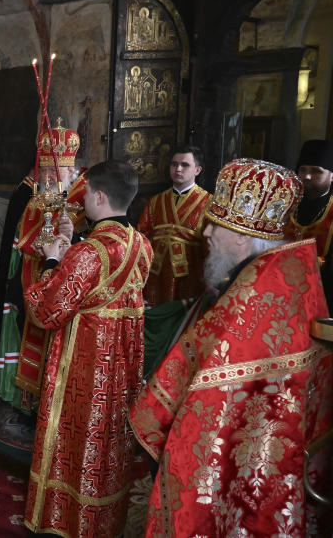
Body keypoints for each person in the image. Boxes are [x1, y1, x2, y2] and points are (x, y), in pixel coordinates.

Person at [129, 158, 333, 537]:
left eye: (214, 226)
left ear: (240, 236)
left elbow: (196, 392)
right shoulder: (286, 273)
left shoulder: (251, 298)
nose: (205, 234)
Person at [22, 160, 152, 537]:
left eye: (86, 194)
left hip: (84, 365)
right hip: (121, 368)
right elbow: (104, 280)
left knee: (75, 438)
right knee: (108, 443)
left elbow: (45, 311)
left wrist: (51, 259)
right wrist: (74, 243)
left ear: (98, 195)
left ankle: (64, 520)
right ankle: (103, 521)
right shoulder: (142, 245)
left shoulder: (89, 254)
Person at [0, 119, 86, 412]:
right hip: (33, 282)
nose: (49, 177)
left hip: (65, 291)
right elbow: (19, 240)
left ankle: (52, 403)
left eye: (56, 170)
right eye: (46, 169)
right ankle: (26, 399)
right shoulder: (34, 199)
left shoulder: (84, 199)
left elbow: (93, 245)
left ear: (71, 170)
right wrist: (31, 249)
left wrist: (71, 236)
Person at [136, 144, 210, 306]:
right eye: (174, 164)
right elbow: (142, 237)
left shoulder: (208, 203)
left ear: (197, 170)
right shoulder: (156, 201)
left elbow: (211, 244)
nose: (178, 169)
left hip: (190, 273)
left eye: (185, 165)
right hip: (157, 274)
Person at [287, 139, 333, 309]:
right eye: (303, 170)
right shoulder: (286, 206)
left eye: (316, 171)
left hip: (323, 299)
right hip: (282, 294)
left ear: (332, 176)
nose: (306, 176)